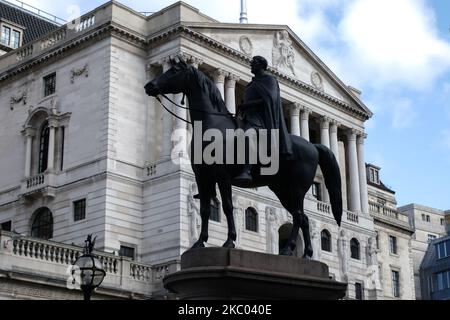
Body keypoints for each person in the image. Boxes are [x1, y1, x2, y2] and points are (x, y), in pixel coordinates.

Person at [233, 56, 293, 185]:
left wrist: (248, 105)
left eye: (254, 63)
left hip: (261, 121)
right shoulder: (252, 83)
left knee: (248, 135)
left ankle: (246, 170)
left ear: (261, 65)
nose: (251, 65)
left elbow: (270, 100)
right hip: (247, 117)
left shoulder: (269, 80)